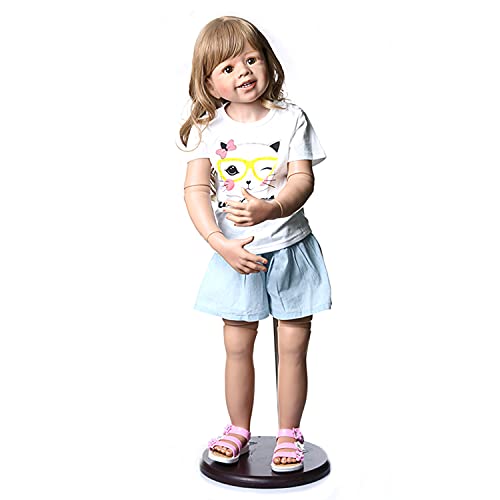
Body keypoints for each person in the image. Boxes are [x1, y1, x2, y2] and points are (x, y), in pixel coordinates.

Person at [180, 16, 331, 473]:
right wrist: (219, 243)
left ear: (267, 61)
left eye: (251, 59)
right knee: (237, 347)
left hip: (290, 250)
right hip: (237, 258)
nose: (243, 72)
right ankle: (238, 429)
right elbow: (194, 190)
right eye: (227, 68)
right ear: (208, 82)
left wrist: (272, 208)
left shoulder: (291, 119)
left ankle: (289, 432)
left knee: (293, 347)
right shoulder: (209, 130)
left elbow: (303, 179)